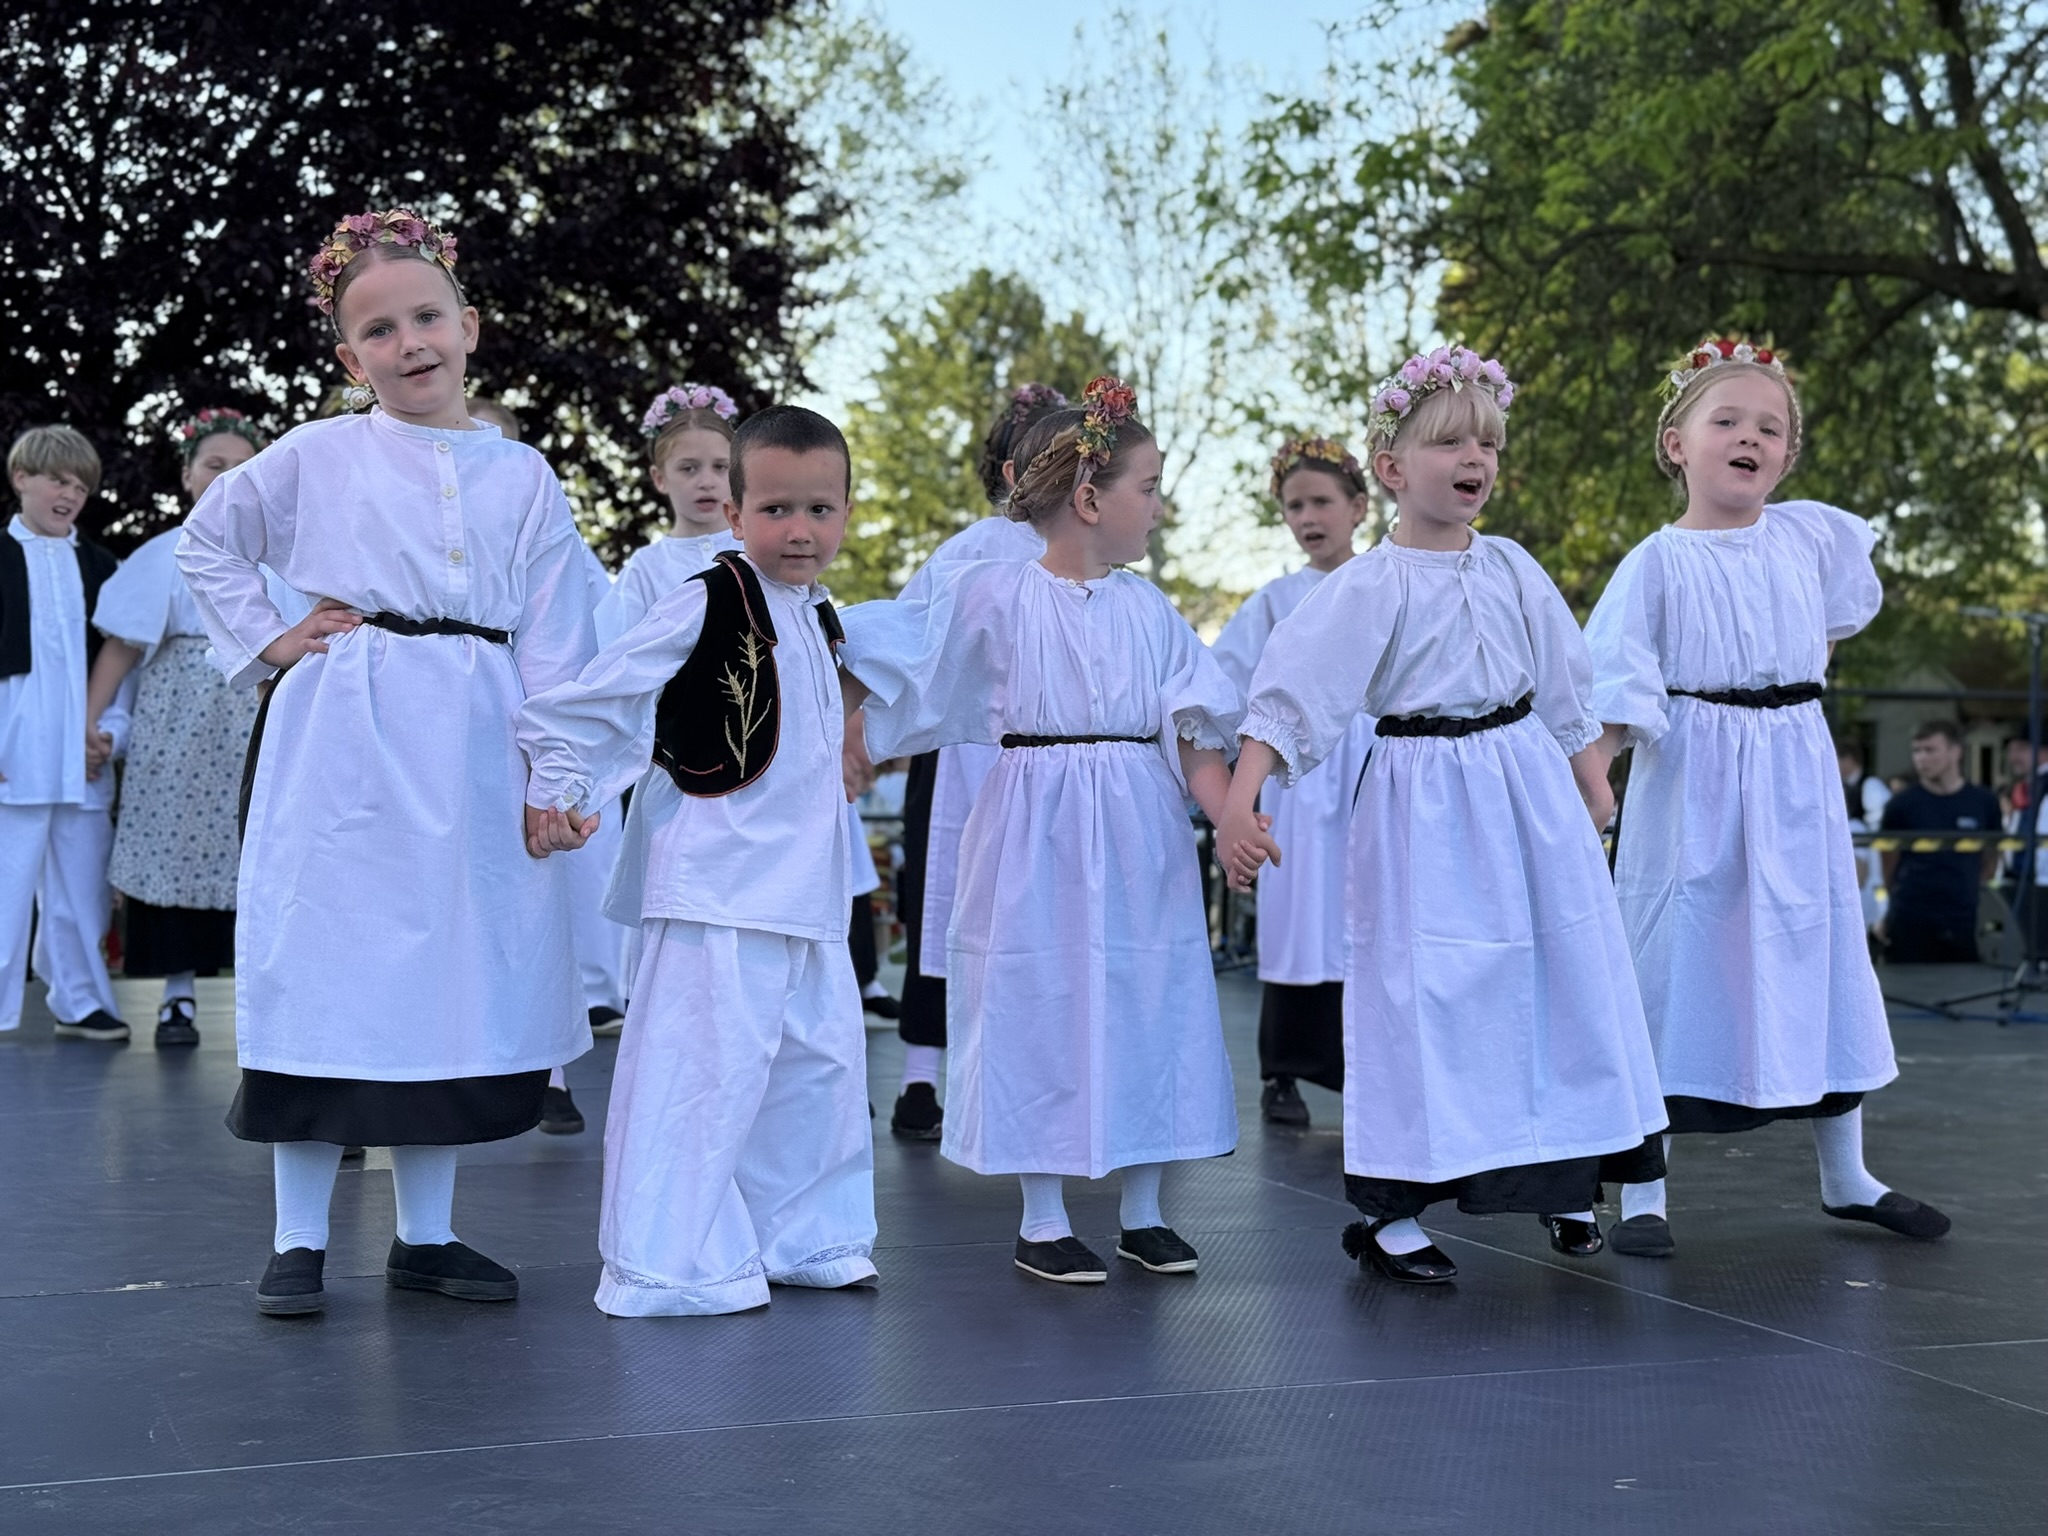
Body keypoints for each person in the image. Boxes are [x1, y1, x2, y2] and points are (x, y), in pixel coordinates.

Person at [177, 207, 596, 1316]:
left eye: (426, 318)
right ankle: (298, 1240)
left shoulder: (523, 476)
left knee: (445, 975)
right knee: (332, 964)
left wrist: (554, 777)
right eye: (379, 330)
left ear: (469, 325)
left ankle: (427, 1236)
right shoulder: (319, 453)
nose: (409, 344)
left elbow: (557, 638)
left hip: (473, 736)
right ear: (347, 357)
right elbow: (208, 540)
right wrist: (273, 639)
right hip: (348, 735)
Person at [1218, 347, 1667, 1286]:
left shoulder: (1511, 566)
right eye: (1451, 442)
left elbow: (1565, 685)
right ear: (1391, 468)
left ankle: (1564, 1179)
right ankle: (1393, 1212)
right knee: (1425, 993)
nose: (1476, 459)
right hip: (1420, 800)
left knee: (1554, 976)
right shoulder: (1370, 584)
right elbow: (1294, 692)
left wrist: (1591, 784)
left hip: (1526, 791)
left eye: (1489, 444)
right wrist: (1241, 800)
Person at [842, 377, 1243, 1285]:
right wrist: (843, 726)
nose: (1160, 506)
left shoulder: (1151, 610)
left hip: (1138, 827)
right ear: (1091, 499)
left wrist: (1229, 819)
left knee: (1149, 999)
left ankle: (1144, 1210)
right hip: (1033, 823)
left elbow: (1194, 728)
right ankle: (1044, 1216)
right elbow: (905, 650)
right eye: (1150, 487)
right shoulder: (994, 594)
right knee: (1037, 998)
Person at [1583, 337, 1949, 1257]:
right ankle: (1644, 1193)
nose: (1750, 437)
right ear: (1678, 444)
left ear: (1787, 456)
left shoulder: (1808, 536)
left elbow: (1826, 623)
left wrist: (1783, 696)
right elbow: (1615, 689)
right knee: (1673, 965)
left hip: (1794, 779)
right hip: (1694, 786)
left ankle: (1847, 1177)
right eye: (1728, 421)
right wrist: (1593, 785)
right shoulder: (1656, 563)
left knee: (1818, 953)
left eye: (1770, 428)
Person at [519, 405, 881, 1317]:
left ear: (846, 511)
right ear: (735, 512)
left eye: (820, 510)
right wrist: (564, 788)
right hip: (718, 883)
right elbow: (607, 694)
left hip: (805, 889)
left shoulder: (820, 614)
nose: (799, 531)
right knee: (700, 1075)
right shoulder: (708, 596)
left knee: (818, 1069)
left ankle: (806, 1236)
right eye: (776, 510)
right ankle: (671, 1262)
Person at [885, 382, 1067, 1140]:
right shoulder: (964, 553)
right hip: (960, 760)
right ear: (1004, 470)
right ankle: (921, 1078)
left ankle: (1041, 1078)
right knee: (944, 905)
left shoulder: (1087, 553)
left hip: (1056, 767)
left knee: (1045, 917)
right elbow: (907, 642)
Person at [83, 409, 276, 1048]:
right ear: (188, 475)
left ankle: (270, 1005)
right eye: (214, 465)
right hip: (177, 725)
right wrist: (88, 723)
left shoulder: (285, 553)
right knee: (172, 846)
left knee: (258, 846)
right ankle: (177, 995)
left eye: (242, 466)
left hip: (257, 716)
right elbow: (122, 647)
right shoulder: (164, 553)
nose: (227, 476)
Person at [1209, 436, 1374, 1128]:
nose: (1308, 518)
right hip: (1299, 786)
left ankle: (1370, 1070)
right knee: (1300, 914)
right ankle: (1284, 1068)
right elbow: (1224, 682)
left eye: (1321, 502)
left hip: (1373, 773)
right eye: (1294, 506)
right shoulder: (1275, 602)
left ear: (1358, 507)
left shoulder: (1386, 582)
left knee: (1370, 914)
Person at [466, 394, 599, 1134]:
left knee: (524, 906)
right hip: (428, 730)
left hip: (517, 733)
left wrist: (561, 773)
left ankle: (547, 1071)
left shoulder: (541, 518)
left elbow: (569, 641)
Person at [2, 425, 134, 1042]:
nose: (70, 496)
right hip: (15, 756)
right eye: (58, 481)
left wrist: (109, 734)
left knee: (81, 894)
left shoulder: (103, 568)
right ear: (21, 478)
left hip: (83, 763)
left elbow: (123, 664)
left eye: (80, 487)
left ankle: (79, 1001)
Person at [1878, 721, 2002, 964]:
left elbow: (1991, 856)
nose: (1921, 758)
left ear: (1955, 752)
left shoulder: (1983, 802)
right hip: (1911, 918)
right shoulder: (1901, 805)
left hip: (1964, 920)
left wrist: (1972, 888)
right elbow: (1888, 863)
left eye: (1930, 750)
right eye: (1917, 751)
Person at [1839, 738, 1890, 933]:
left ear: (1850, 759)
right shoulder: (1843, 786)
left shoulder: (1870, 785)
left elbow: (1880, 820)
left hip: (1869, 851)